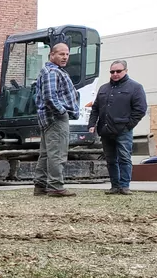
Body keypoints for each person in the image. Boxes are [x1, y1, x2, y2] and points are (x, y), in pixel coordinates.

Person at [88, 60, 147, 195]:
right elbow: (95, 109)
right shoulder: (104, 89)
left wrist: (128, 126)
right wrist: (92, 124)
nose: (115, 74)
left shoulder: (135, 87)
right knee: (110, 160)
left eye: (118, 71)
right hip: (105, 131)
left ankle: (124, 186)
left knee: (124, 158)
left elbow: (140, 110)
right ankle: (115, 186)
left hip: (123, 131)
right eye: (112, 72)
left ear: (125, 71)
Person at [33, 42, 80, 197]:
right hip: (55, 118)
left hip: (48, 119)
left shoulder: (51, 71)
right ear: (51, 55)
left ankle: (40, 185)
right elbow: (50, 97)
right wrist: (62, 112)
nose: (65, 57)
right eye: (61, 54)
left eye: (67, 54)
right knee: (57, 153)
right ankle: (55, 186)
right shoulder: (52, 72)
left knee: (46, 153)